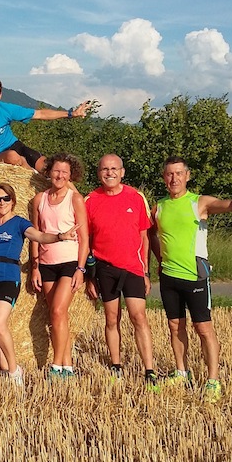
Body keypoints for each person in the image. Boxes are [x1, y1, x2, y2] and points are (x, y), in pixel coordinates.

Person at [150, 156, 232, 403]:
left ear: (187, 176)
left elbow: (231, 205)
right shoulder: (158, 207)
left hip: (195, 277)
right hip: (169, 276)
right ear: (163, 177)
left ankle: (213, 380)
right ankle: (182, 372)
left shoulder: (199, 203)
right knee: (174, 326)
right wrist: (159, 259)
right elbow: (150, 235)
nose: (174, 178)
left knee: (203, 328)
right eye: (169, 174)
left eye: (179, 173)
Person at [0, 183, 78, 385]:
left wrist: (60, 237)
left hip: (8, 279)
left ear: (13, 201)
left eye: (5, 198)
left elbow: (39, 236)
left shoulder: (19, 224)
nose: (1, 202)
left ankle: (14, 371)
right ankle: (5, 367)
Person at [84, 154, 159, 390]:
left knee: (139, 317)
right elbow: (85, 241)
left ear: (122, 172)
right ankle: (115, 366)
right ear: (99, 173)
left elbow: (144, 236)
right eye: (105, 169)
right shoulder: (90, 200)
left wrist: (146, 271)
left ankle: (149, 370)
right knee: (111, 318)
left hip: (133, 268)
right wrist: (89, 276)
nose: (110, 173)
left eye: (114, 169)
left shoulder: (136, 197)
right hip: (105, 269)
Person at [30, 153, 89, 378]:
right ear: (49, 172)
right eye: (56, 171)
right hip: (46, 263)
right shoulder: (39, 200)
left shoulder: (75, 199)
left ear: (71, 175)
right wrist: (35, 266)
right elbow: (35, 235)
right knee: (57, 316)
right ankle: (67, 365)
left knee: (57, 310)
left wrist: (81, 269)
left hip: (69, 262)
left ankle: (55, 366)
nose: (60, 175)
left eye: (65, 172)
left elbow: (84, 237)